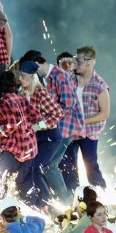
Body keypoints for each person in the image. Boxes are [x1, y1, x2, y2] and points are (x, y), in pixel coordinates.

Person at [21, 49, 84, 205]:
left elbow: (69, 103)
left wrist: (48, 119)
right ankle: (68, 201)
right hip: (54, 130)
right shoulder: (48, 78)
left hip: (63, 129)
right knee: (55, 166)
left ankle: (68, 202)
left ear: (36, 65)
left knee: (50, 166)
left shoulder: (59, 75)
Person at [61, 46, 109, 190]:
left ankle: (100, 195)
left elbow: (104, 114)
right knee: (68, 167)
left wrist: (80, 121)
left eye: (78, 61)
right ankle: (73, 198)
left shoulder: (99, 85)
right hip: (71, 131)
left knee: (91, 165)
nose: (75, 63)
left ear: (89, 63)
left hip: (89, 132)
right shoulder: (70, 78)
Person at [0, 71, 40, 206]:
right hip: (30, 147)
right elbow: (36, 116)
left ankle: (2, 208)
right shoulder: (21, 98)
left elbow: (11, 125)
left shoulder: (3, 102)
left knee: (0, 177)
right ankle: (35, 207)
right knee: (24, 183)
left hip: (14, 148)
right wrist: (27, 126)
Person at [18, 61, 63, 206]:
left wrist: (38, 125)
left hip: (50, 137)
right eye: (19, 76)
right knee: (29, 168)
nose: (20, 79)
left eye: (23, 76)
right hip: (37, 138)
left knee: (35, 168)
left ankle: (47, 204)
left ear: (32, 76)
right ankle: (39, 203)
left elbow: (57, 113)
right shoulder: (22, 93)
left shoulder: (40, 92)